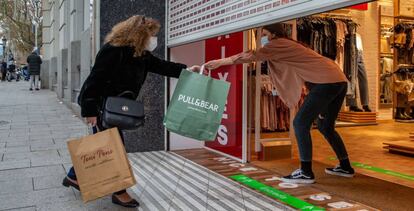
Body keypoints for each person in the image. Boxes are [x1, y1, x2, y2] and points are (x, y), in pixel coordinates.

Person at [61, 15, 199, 208]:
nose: (153, 39)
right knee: (115, 149)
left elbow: (163, 66)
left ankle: (74, 176)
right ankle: (119, 192)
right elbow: (94, 81)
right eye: (151, 34)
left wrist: (187, 71)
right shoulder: (113, 51)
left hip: (118, 108)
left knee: (105, 145)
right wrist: (90, 110)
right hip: (103, 107)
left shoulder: (140, 54)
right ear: (139, 34)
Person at [205, 23, 354, 184]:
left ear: (274, 34)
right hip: (338, 80)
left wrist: (221, 61)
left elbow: (251, 55)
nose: (262, 37)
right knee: (326, 127)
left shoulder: (277, 44)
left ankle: (305, 172)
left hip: (326, 83)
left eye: (264, 33)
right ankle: (345, 166)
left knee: (300, 123)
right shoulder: (289, 45)